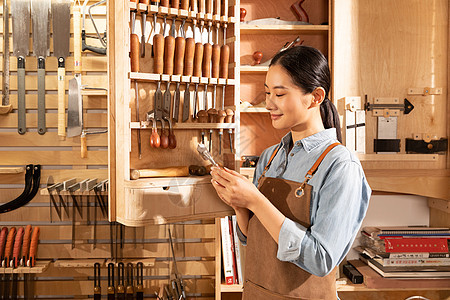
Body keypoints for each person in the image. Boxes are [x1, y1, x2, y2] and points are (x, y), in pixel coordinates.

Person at [210, 45, 371, 299]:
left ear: (315, 97)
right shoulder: (270, 156)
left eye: (280, 94)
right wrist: (240, 206)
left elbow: (321, 259)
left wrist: (256, 200)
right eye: (266, 93)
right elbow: (255, 243)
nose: (268, 103)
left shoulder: (341, 165)